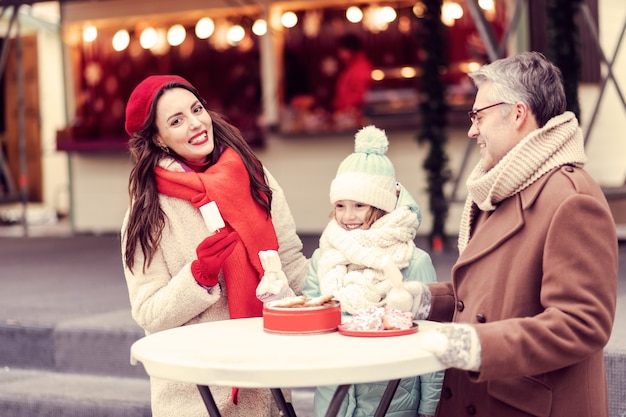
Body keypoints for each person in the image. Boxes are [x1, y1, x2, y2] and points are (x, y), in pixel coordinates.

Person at [414, 51, 618, 417]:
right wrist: (420, 301)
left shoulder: (571, 199)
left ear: (519, 113)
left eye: (479, 116)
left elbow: (581, 323)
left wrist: (475, 345)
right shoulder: (503, 186)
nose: (472, 129)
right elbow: (488, 295)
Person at [121, 74, 308, 417]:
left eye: (197, 109)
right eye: (176, 120)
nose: (195, 124)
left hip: (268, 383)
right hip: (198, 396)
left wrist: (348, 271)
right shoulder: (147, 211)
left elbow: (290, 264)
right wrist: (198, 277)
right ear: (158, 139)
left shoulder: (254, 175)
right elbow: (148, 313)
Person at [302, 125, 443, 417]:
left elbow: (431, 342)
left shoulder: (414, 261)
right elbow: (310, 324)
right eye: (340, 205)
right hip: (334, 403)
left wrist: (430, 408)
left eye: (359, 205)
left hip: (392, 403)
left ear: (380, 206)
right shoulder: (323, 257)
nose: (347, 216)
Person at [332, 34, 374, 130]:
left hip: (355, 116)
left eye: (341, 51)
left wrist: (344, 107)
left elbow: (362, 94)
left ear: (350, 50)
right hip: (348, 115)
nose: (340, 55)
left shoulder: (360, 68)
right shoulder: (352, 67)